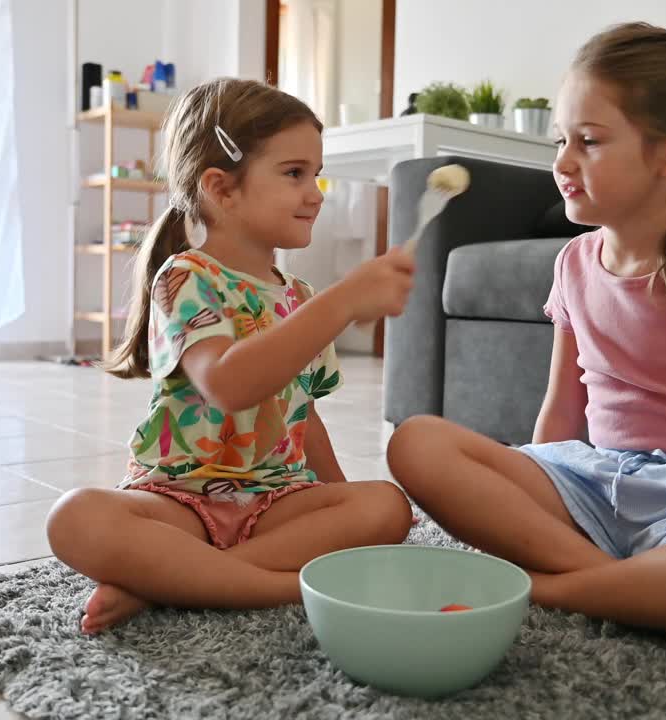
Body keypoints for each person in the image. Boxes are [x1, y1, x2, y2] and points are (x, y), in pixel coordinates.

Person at [387, 23, 666, 659]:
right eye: (560, 140)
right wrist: (529, 482)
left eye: (588, 142)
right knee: (416, 442)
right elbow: (562, 411)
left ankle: (547, 586)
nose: (561, 162)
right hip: (586, 482)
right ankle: (627, 588)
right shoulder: (572, 263)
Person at [47, 78, 416, 635]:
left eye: (316, 174)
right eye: (294, 173)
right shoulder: (185, 279)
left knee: (387, 505)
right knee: (75, 518)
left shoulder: (299, 298)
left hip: (276, 501)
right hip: (182, 499)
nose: (315, 193)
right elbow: (226, 383)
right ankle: (282, 586)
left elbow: (303, 413)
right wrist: (344, 301)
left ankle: (180, 582)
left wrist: (336, 499)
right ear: (221, 189)